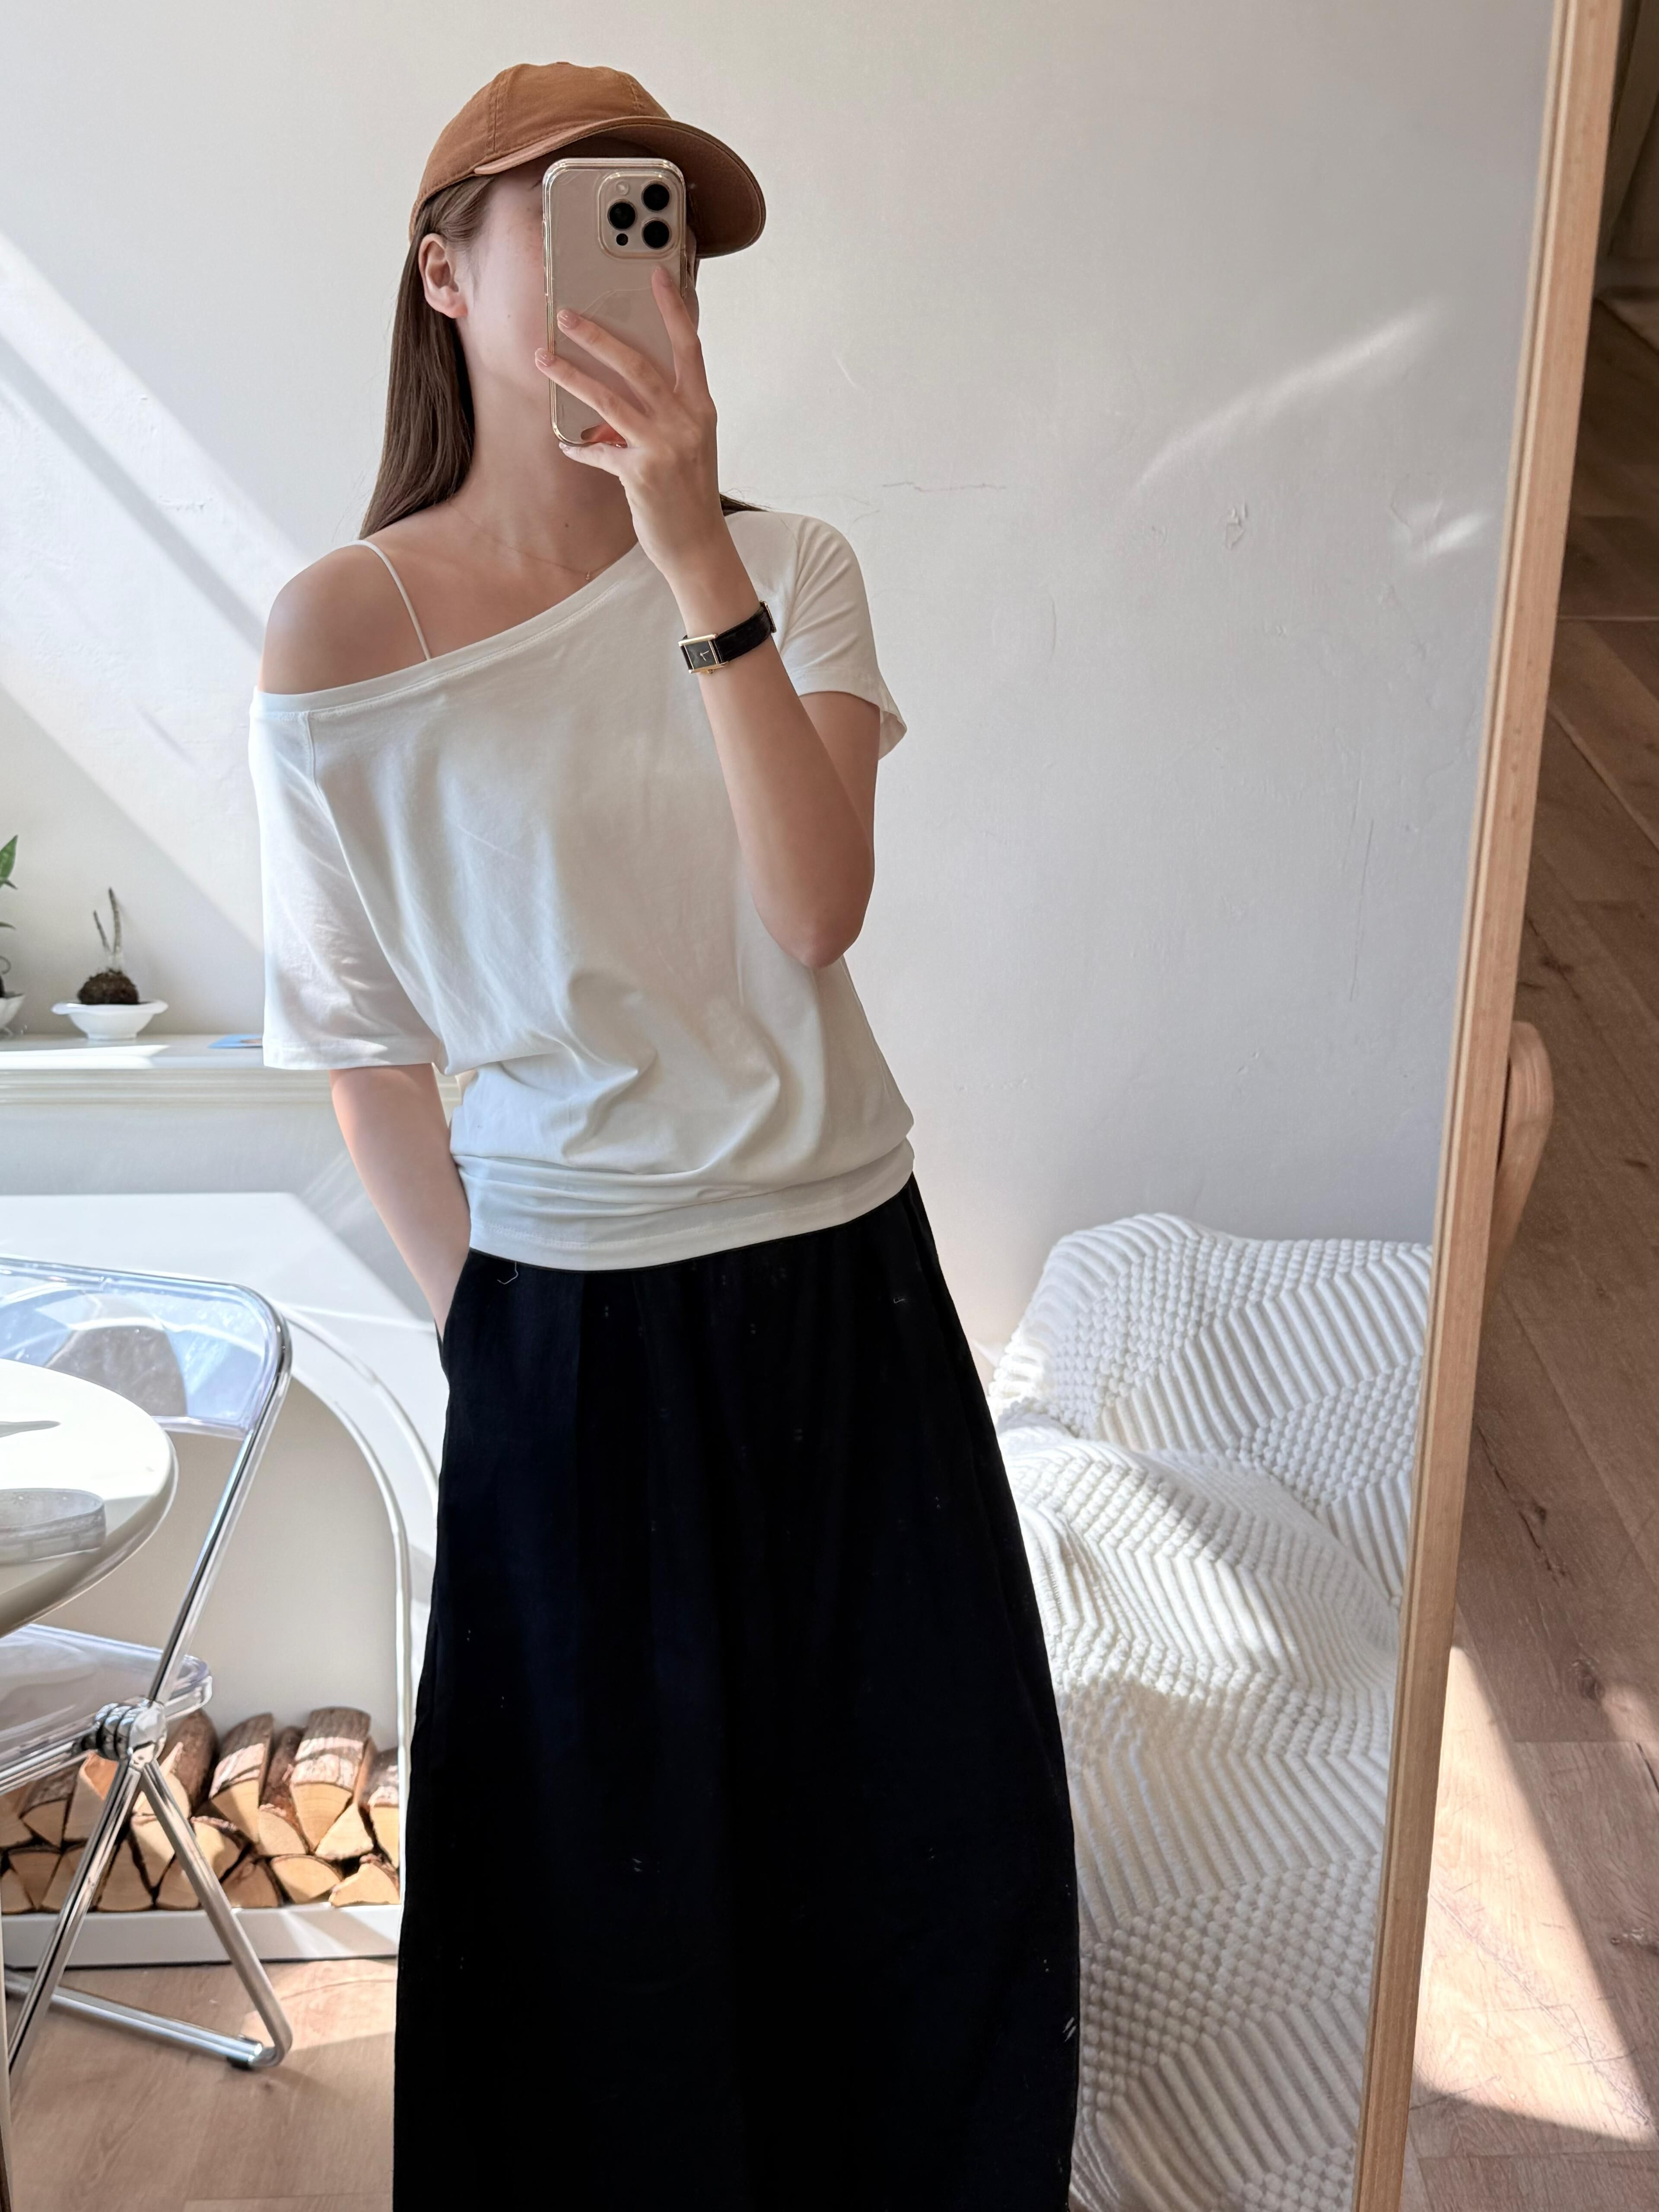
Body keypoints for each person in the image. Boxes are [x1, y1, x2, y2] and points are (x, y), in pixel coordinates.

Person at [248, 59, 1078, 2212]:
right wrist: (492, 1333)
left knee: (926, 1857)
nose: (649, 268)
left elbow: (814, 906)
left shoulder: (792, 564)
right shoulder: (341, 627)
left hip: (849, 1284)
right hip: (567, 1320)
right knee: (597, 1926)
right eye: (583, 216)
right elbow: (364, 1047)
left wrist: (688, 540)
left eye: (670, 238)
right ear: (446, 274)